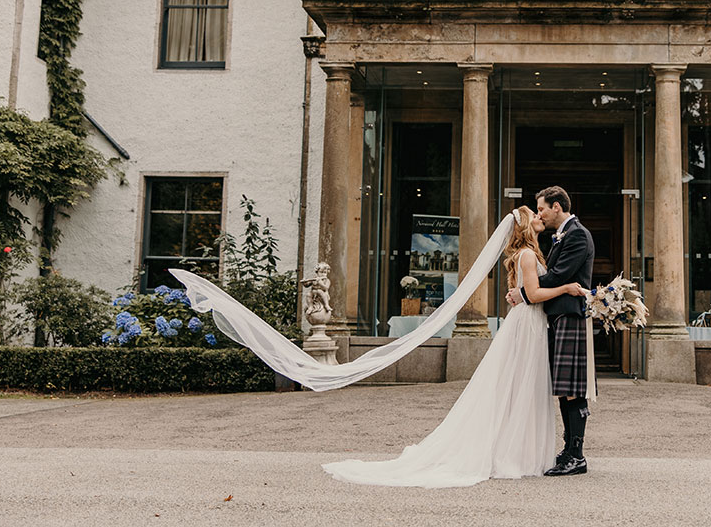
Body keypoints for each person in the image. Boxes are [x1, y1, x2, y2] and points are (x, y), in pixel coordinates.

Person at [171, 206, 585, 488]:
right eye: (535, 217)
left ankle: (524, 452)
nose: (540, 221)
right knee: (519, 391)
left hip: (526, 326)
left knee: (517, 391)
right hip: (527, 325)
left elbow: (520, 293)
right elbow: (530, 293)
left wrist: (523, 294)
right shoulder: (530, 254)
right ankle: (520, 455)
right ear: (526, 228)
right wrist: (566, 286)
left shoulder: (528, 253)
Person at [506, 185, 596, 477]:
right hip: (557, 318)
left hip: (570, 316)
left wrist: (523, 293)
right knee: (563, 389)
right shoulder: (561, 237)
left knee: (572, 390)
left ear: (557, 207)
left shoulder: (577, 235)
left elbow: (558, 276)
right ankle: (569, 450)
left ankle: (576, 455)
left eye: (543, 208)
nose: (540, 214)